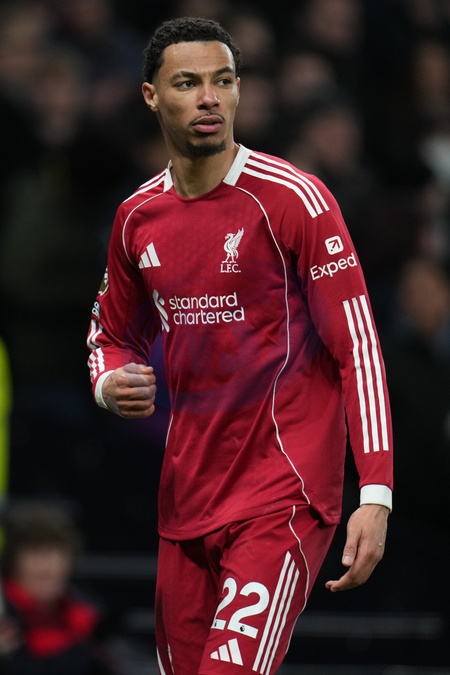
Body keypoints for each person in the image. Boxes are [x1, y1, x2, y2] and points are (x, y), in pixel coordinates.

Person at [86, 16, 393, 674]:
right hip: (187, 500)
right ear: (151, 96)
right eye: (188, 83)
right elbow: (111, 334)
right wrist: (109, 382)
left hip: (282, 492)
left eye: (223, 81)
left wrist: (375, 492)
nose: (209, 98)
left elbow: (358, 349)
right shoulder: (137, 217)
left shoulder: (294, 200)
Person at [0, 502, 118, 674]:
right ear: (13, 563)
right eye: (35, 554)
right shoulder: (5, 621)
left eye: (57, 554)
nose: (48, 568)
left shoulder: (89, 619)